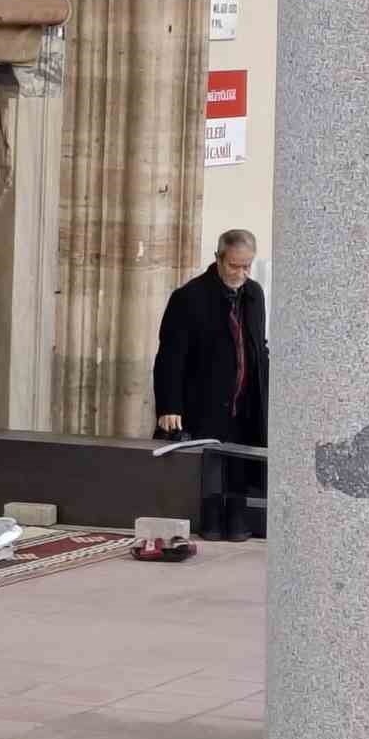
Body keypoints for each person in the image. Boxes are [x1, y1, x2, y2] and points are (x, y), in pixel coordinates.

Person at [153, 229, 269, 541]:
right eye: (234, 266)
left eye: (247, 266)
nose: (241, 274)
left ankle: (237, 523)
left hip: (245, 399)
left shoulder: (255, 294)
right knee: (211, 467)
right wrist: (169, 405)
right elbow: (170, 356)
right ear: (218, 259)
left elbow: (259, 345)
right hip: (203, 398)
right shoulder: (189, 297)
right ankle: (211, 524)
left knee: (240, 467)